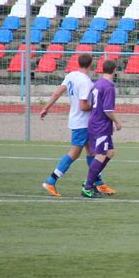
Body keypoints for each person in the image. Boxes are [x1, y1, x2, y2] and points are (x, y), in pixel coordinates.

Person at [40, 53, 114, 197]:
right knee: (75, 153)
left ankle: (98, 183)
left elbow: (57, 93)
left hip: (76, 120)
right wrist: (97, 108)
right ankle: (51, 180)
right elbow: (83, 106)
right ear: (91, 64)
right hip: (83, 122)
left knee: (92, 152)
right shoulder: (86, 82)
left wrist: (46, 107)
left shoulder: (71, 75)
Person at [82, 59, 122, 198]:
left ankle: (91, 179)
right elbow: (108, 109)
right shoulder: (109, 86)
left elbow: (93, 103)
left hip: (96, 122)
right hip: (101, 125)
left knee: (110, 152)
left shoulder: (97, 83)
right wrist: (117, 122)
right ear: (114, 70)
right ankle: (88, 186)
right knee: (101, 154)